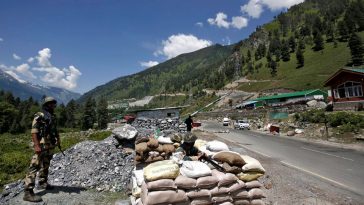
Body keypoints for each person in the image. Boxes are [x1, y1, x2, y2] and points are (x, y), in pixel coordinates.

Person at [23, 96, 60, 202]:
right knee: (35, 166)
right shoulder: (39, 115)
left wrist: (58, 139)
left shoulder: (53, 116)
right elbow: (34, 131)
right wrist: (36, 145)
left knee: (46, 164)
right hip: (41, 144)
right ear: (46, 105)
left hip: (50, 144)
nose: (52, 105)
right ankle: (28, 192)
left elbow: (55, 129)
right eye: (50, 103)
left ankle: (43, 182)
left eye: (53, 103)